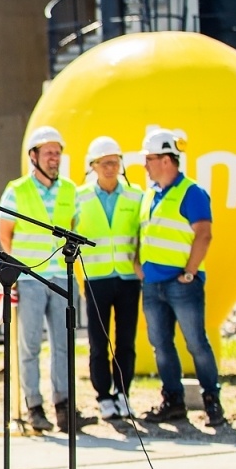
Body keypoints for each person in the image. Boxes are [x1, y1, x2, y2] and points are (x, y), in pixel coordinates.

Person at [0, 126, 89, 434]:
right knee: (31, 345)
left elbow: (74, 227)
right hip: (31, 278)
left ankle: (64, 408)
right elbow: (5, 237)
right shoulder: (17, 190)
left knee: (64, 345)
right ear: (33, 156)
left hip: (62, 279)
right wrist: (16, 274)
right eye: (49, 153)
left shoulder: (69, 190)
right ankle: (34, 407)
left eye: (58, 153)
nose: (55, 158)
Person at [136, 130, 225, 428]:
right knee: (161, 345)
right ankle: (173, 401)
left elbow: (204, 233)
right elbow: (146, 233)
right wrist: (140, 265)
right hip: (153, 284)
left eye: (148, 159)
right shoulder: (150, 194)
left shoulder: (192, 192)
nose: (144, 165)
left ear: (164, 160)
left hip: (181, 284)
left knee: (196, 343)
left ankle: (212, 401)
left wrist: (189, 271)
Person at [75, 136, 143, 422]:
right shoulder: (79, 198)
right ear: (93, 166)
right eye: (104, 163)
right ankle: (104, 396)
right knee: (98, 342)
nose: (110, 168)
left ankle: (124, 394)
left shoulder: (136, 196)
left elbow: (143, 235)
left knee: (126, 340)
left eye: (114, 162)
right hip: (97, 279)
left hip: (128, 278)